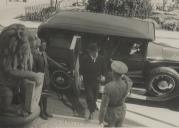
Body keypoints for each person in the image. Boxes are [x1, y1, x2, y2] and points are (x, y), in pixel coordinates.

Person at [99, 61, 133, 127]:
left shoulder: (108, 86)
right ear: (122, 74)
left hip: (111, 112)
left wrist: (101, 120)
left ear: (112, 72)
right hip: (122, 110)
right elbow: (129, 79)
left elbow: (104, 106)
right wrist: (122, 72)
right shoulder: (127, 84)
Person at [80, 43, 106, 119]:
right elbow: (81, 69)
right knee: (90, 96)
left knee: (95, 97)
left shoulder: (101, 59)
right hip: (87, 81)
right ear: (90, 52)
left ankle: (92, 107)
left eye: (97, 52)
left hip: (97, 81)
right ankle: (91, 112)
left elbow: (104, 69)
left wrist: (103, 76)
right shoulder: (85, 58)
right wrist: (81, 76)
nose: (95, 53)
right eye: (94, 52)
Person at [33, 41, 53, 120]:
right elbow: (34, 69)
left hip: (46, 79)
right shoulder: (36, 55)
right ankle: (41, 113)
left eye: (45, 45)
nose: (45, 46)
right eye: (43, 45)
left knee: (45, 96)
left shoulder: (44, 54)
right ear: (39, 45)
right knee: (40, 96)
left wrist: (48, 78)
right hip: (40, 79)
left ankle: (45, 111)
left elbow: (47, 67)